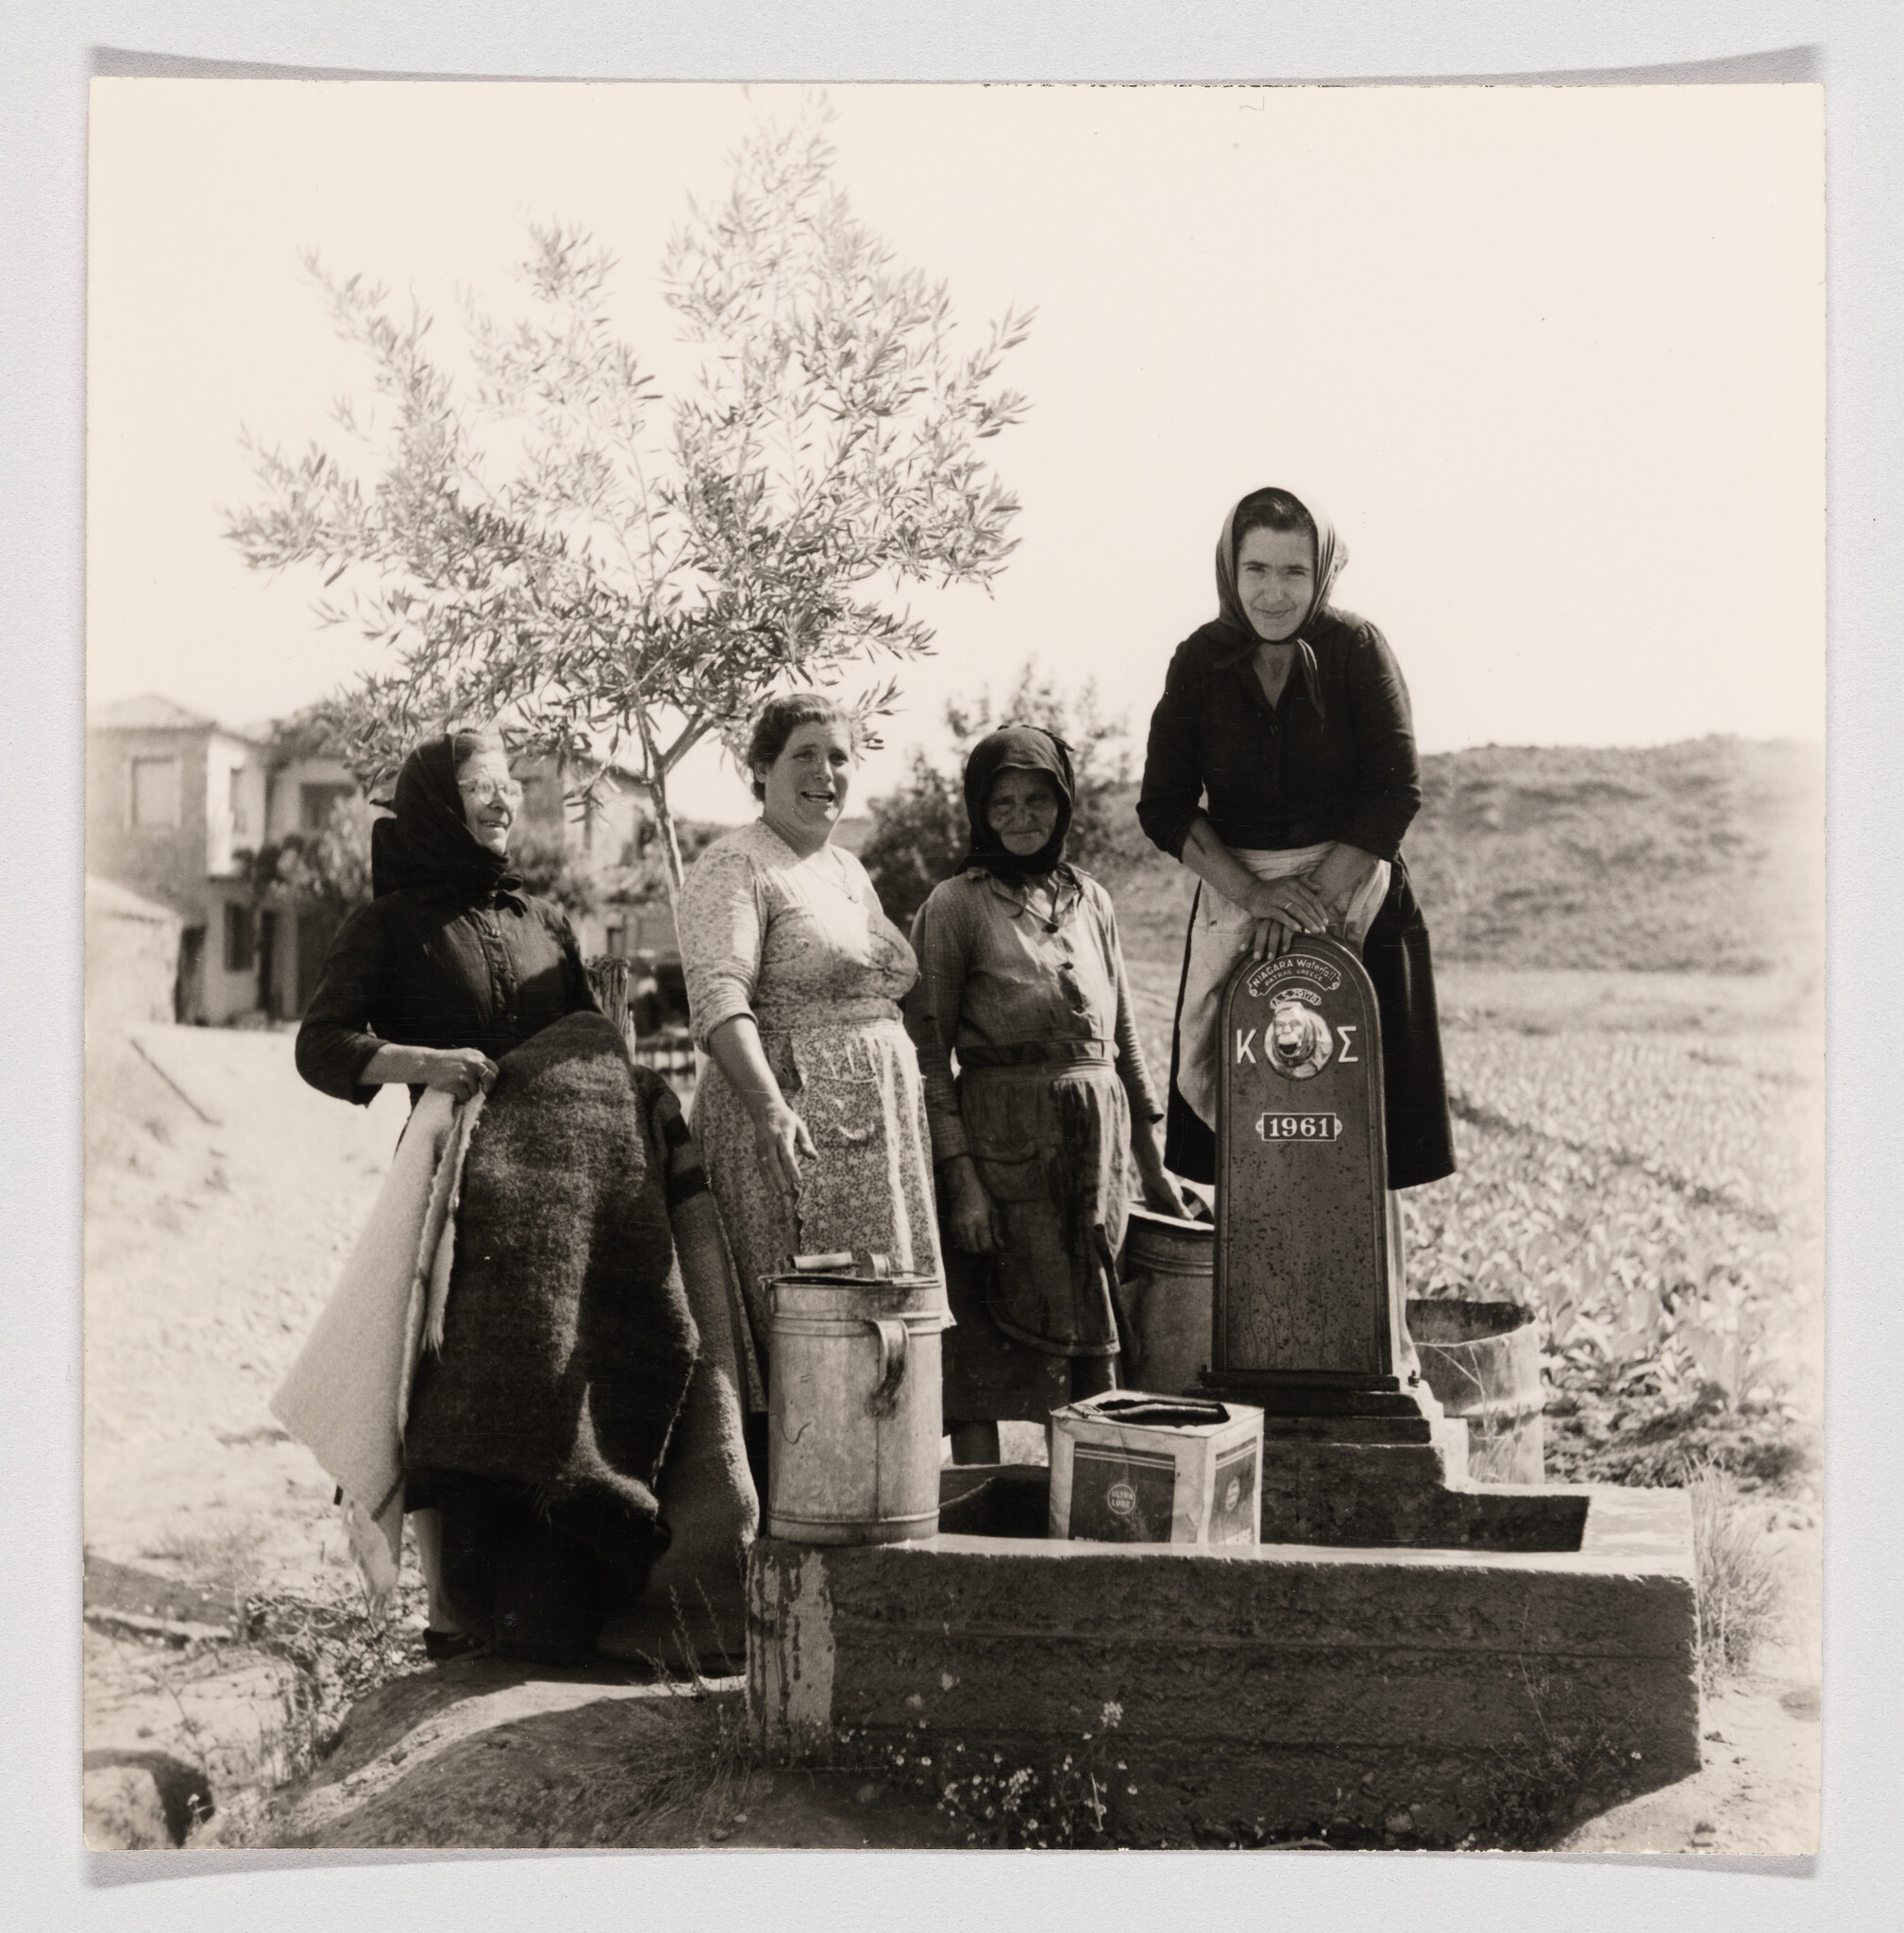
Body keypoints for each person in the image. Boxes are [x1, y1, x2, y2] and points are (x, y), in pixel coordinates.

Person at [1137, 487, 1456, 1360]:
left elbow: (1395, 789)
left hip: (1353, 896)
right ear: (1227, 570)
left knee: (1353, 1121)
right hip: (1241, 903)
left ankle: (1370, 1354)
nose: (1272, 591)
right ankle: (1267, 1350)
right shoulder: (1198, 661)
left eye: (1292, 570)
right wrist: (1254, 894)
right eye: (1255, 570)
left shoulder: (1356, 649)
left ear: (1321, 574)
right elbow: (1163, 805)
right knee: (1257, 1117)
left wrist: (1312, 896)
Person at [906, 727, 1190, 1465]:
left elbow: (1122, 1039)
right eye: (1000, 801)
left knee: (1093, 1343)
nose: (1019, 815)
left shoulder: (1090, 899)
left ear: (1062, 805)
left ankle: (1082, 1513)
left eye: (1036, 798)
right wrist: (961, 1181)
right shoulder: (955, 906)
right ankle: (979, 1510)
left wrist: (1153, 1169)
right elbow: (929, 1057)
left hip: (1092, 1163)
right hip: (1000, 1154)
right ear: (978, 808)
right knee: (986, 1350)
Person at [678, 693, 941, 1473]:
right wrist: (769, 1108)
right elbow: (720, 997)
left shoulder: (846, 869)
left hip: (872, 1142)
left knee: (868, 1328)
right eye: (804, 756)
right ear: (759, 770)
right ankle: (784, 1518)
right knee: (802, 1326)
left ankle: (865, 1496)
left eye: (839, 758)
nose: (825, 773)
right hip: (793, 1131)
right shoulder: (736, 864)